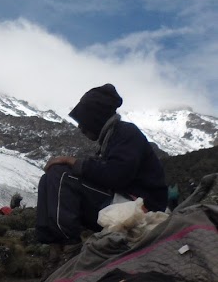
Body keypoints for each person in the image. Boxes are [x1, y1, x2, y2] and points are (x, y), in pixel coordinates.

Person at [35, 84, 167, 266]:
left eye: (84, 121)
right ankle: (54, 245)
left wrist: (73, 162)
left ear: (96, 118)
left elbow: (117, 176)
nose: (81, 127)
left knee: (61, 174)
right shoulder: (111, 138)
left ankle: (69, 245)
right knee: (49, 177)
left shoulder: (126, 133)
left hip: (141, 206)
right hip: (121, 203)